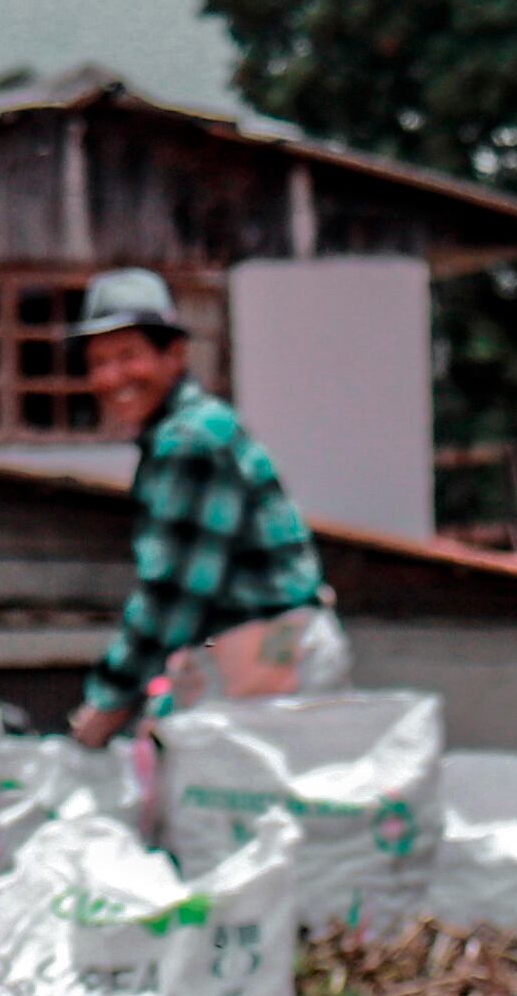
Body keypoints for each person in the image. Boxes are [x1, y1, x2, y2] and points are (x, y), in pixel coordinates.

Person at [66, 269, 350, 745]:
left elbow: (174, 596)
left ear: (174, 355)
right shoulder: (181, 433)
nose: (111, 377)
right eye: (98, 362)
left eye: (128, 356)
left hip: (275, 654)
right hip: (256, 651)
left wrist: (107, 703)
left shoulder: (191, 440)